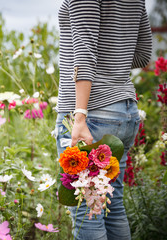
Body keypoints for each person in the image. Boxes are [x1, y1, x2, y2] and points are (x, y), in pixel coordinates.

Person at [55, 0, 152, 239]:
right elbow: (142, 55)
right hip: (124, 111)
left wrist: (79, 117)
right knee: (112, 206)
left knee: (87, 212)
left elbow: (85, 52)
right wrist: (112, 64)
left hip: (92, 114)